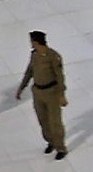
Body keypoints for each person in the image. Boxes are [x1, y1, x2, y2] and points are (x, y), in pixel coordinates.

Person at [14, 30, 67, 159]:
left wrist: (61, 95)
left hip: (51, 93)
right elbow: (29, 72)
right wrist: (22, 87)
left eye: (32, 41)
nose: (31, 43)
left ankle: (61, 147)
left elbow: (59, 77)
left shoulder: (53, 56)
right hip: (38, 92)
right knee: (43, 120)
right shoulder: (34, 55)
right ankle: (51, 142)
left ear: (36, 42)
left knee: (55, 122)